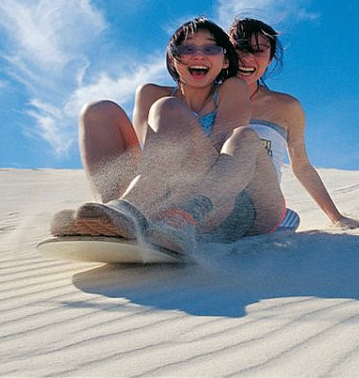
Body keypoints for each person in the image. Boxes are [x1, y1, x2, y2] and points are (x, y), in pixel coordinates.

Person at [52, 17, 293, 253]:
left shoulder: (232, 89)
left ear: (225, 62)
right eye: (187, 48)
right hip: (164, 198)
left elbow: (223, 163)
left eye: (210, 48)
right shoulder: (150, 94)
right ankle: (111, 217)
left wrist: (180, 127)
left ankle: (150, 213)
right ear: (173, 58)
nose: (199, 55)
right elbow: (150, 164)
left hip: (225, 203)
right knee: (98, 111)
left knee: (243, 136)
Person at [228, 17, 355, 228]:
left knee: (286, 220)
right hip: (213, 204)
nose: (246, 58)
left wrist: (337, 218)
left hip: (263, 208)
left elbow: (302, 166)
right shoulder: (207, 100)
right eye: (239, 49)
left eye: (258, 51)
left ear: (270, 58)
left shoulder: (286, 107)